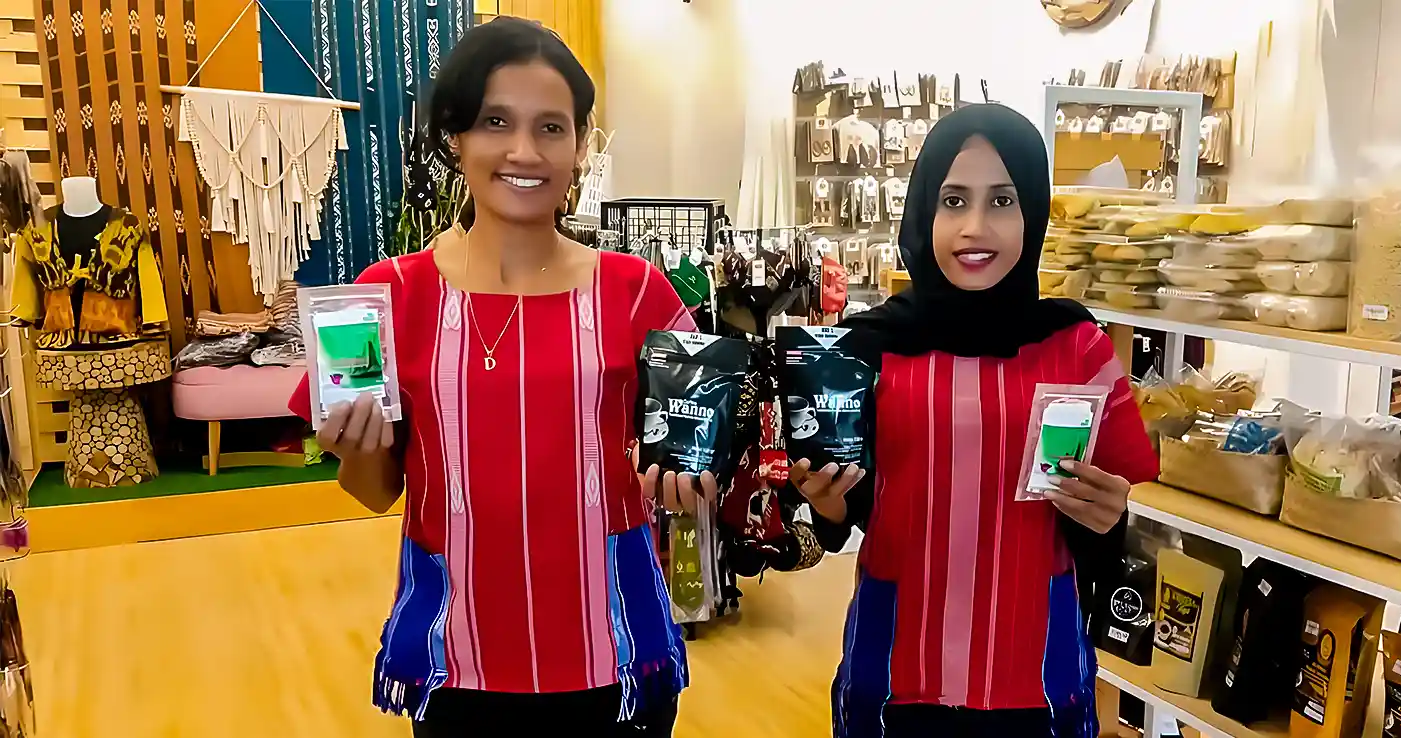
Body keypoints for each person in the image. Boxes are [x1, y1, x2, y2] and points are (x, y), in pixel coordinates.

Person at [287, 17, 709, 737]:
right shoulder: (386, 296)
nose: (524, 151)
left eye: (551, 127)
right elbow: (376, 491)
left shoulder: (638, 293)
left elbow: (694, 469)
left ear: (580, 145)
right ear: (456, 137)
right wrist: (356, 445)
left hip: (617, 657)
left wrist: (690, 489)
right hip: (457, 659)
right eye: (495, 122)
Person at [793, 104, 1159, 738]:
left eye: (1003, 201)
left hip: (1035, 679)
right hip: (895, 675)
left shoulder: (1076, 346)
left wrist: (1109, 518)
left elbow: (1122, 506)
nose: (976, 227)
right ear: (924, 212)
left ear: (1034, 215)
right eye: (954, 200)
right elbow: (850, 508)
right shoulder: (869, 350)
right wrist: (826, 506)